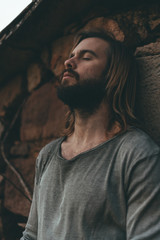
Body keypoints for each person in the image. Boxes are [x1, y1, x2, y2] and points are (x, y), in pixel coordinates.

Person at [21, 30, 160, 240]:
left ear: (112, 76)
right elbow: (32, 235)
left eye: (86, 57)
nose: (69, 62)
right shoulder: (48, 155)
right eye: (71, 55)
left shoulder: (137, 154)